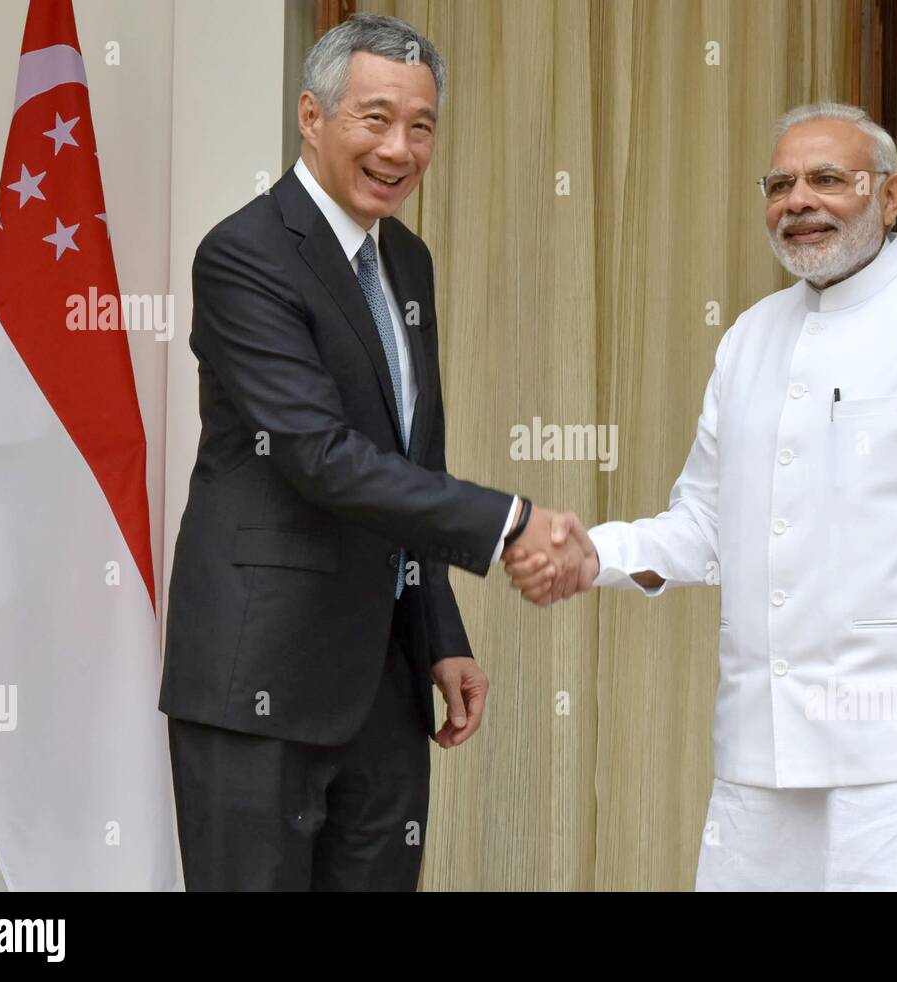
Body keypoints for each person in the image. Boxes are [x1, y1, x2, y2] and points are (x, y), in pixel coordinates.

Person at [507, 102, 897, 891]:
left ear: (890, 195)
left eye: (827, 179)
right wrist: (597, 554)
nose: (798, 201)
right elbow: (706, 524)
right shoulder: (749, 337)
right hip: (759, 763)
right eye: (779, 184)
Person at [160, 14, 592, 891]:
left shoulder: (410, 262)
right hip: (260, 683)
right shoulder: (243, 256)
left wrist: (438, 630)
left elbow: (413, 458)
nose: (400, 148)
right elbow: (319, 455)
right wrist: (510, 522)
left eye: (422, 125)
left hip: (385, 688)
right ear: (311, 118)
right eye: (376, 118)